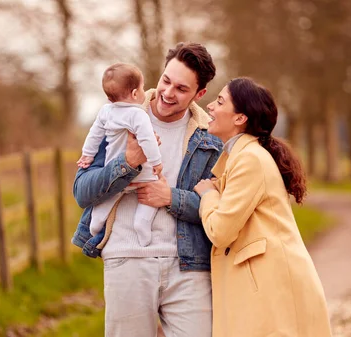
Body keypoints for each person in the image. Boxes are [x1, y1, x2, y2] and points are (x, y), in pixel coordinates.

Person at [71, 42, 221, 337]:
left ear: (199, 94)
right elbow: (82, 193)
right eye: (166, 80)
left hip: (189, 266)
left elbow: (219, 209)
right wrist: (127, 163)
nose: (167, 93)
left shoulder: (210, 138)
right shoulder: (116, 119)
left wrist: (171, 198)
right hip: (127, 258)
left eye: (181, 88)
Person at [194, 77, 332, 337]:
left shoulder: (249, 160)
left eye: (220, 101)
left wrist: (207, 196)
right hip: (265, 288)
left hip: (271, 291)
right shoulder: (242, 157)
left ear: (240, 118)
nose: (210, 106)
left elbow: (221, 231)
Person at [77, 63, 162, 247]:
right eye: (142, 88)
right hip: (143, 175)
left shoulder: (106, 112)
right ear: (134, 94)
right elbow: (148, 140)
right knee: (154, 189)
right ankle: (142, 223)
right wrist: (156, 162)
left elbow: (94, 135)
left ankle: (96, 222)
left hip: (117, 171)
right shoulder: (138, 115)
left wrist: (87, 155)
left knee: (111, 196)